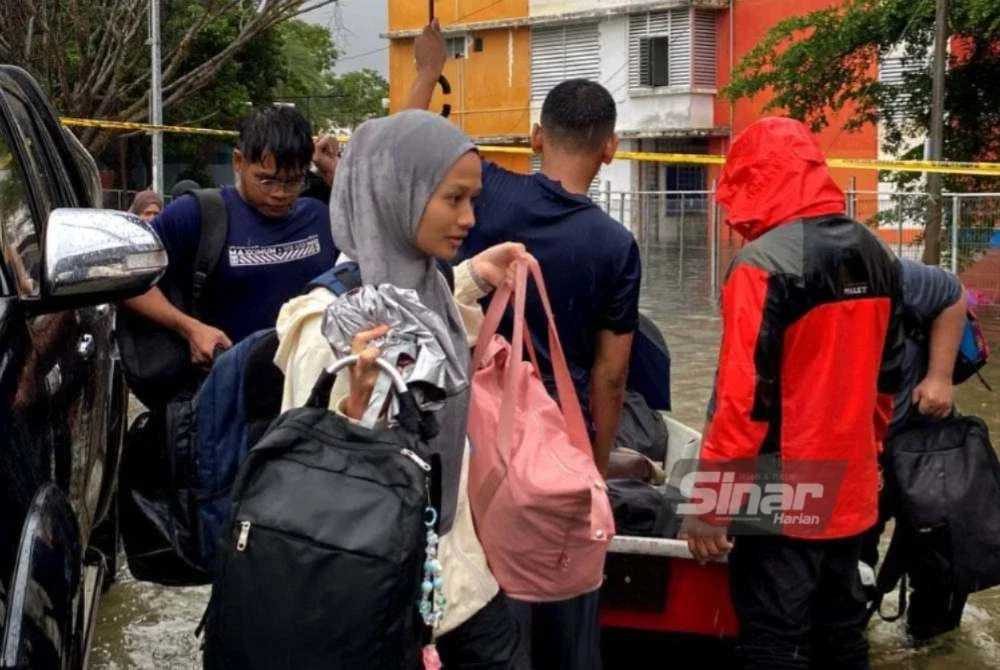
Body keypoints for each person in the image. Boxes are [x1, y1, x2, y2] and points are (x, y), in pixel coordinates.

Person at [400, 26, 638, 670]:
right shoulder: (616, 245)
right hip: (556, 450)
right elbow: (611, 375)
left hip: (469, 441)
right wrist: (592, 473)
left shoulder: (486, 193)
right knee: (562, 612)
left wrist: (427, 71)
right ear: (610, 148)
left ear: (536, 137)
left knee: (471, 604)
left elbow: (404, 148)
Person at [285, 108, 529, 668]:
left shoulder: (431, 289)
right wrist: (354, 408)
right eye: (453, 199)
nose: (469, 218)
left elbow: (430, 339)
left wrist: (475, 277)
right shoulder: (329, 323)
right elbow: (309, 474)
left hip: (456, 570)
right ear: (396, 195)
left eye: (473, 199)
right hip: (374, 589)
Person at [680, 117, 905, 669]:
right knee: (841, 633)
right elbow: (888, 381)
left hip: (783, 485)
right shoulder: (876, 253)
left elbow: (743, 398)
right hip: (850, 483)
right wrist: (871, 457)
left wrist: (712, 501)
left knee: (772, 643)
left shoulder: (763, 264)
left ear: (752, 180)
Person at [124, 104, 337, 363]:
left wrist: (334, 173)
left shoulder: (319, 216)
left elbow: (372, 253)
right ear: (238, 161)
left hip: (310, 378)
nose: (280, 193)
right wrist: (189, 328)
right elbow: (129, 280)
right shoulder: (197, 214)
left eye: (293, 181)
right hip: (225, 379)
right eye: (267, 181)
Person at [860, 257, 968, 640]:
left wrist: (940, 377)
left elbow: (952, 293)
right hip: (852, 452)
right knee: (845, 569)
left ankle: (935, 649)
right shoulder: (776, 281)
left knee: (940, 567)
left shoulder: (878, 269)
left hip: (920, 434)